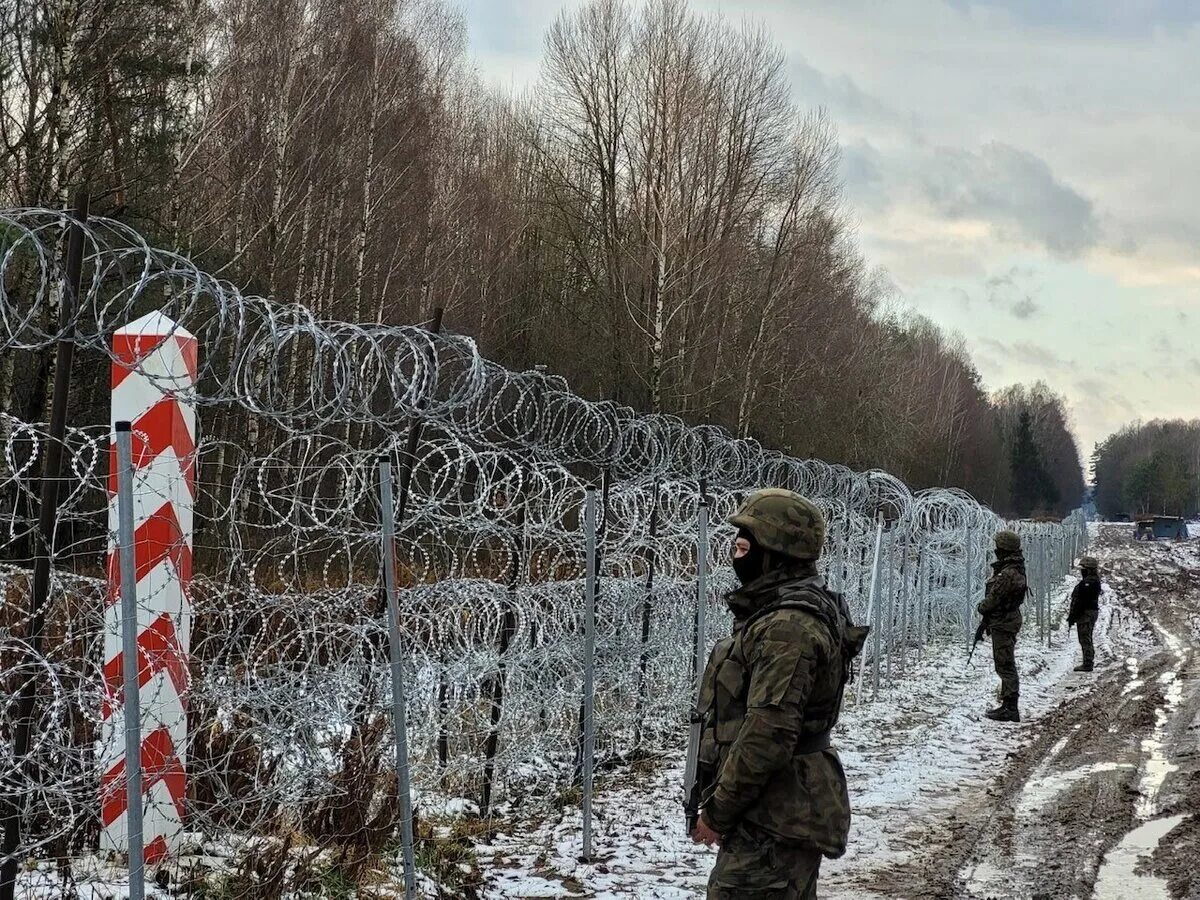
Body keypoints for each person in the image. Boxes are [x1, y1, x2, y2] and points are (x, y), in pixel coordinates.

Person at [690, 489, 867, 899]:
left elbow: (768, 735)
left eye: (742, 547)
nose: (736, 557)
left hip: (778, 814)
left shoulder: (788, 627)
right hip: (776, 807)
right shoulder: (778, 614)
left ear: (774, 551)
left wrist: (717, 813)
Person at [977, 529, 1027, 723]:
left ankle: (1010, 708)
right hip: (1007, 619)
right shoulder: (1015, 568)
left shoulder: (1008, 573)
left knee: (1005, 664)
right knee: (1005, 663)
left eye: (998, 547)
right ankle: (1007, 705)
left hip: (1004, 622)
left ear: (1004, 549)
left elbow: (994, 599)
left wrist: (981, 607)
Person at [1067, 555, 1102, 672]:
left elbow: (1081, 601)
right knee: (1086, 637)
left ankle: (1088, 663)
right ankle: (1087, 662)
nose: (1082, 571)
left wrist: (1073, 616)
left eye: (1083, 568)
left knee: (1085, 638)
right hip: (1087, 612)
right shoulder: (1091, 581)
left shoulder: (1089, 583)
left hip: (1086, 613)